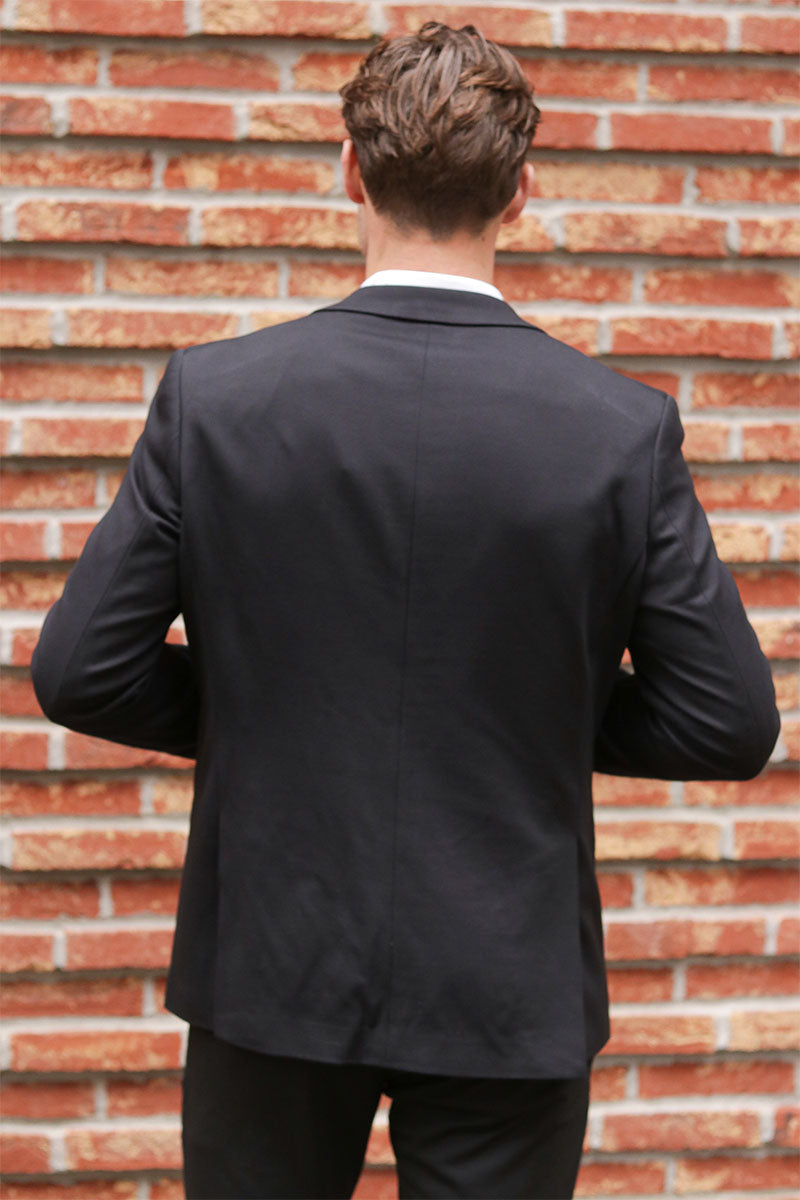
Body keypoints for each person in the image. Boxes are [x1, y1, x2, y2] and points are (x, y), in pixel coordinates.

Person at [31, 20, 780, 1200]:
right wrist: (522, 711)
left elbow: (82, 669)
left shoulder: (217, 400)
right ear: (518, 191)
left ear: (349, 171)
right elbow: (724, 723)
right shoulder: (615, 431)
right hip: (506, 975)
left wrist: (267, 708)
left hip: (272, 960)